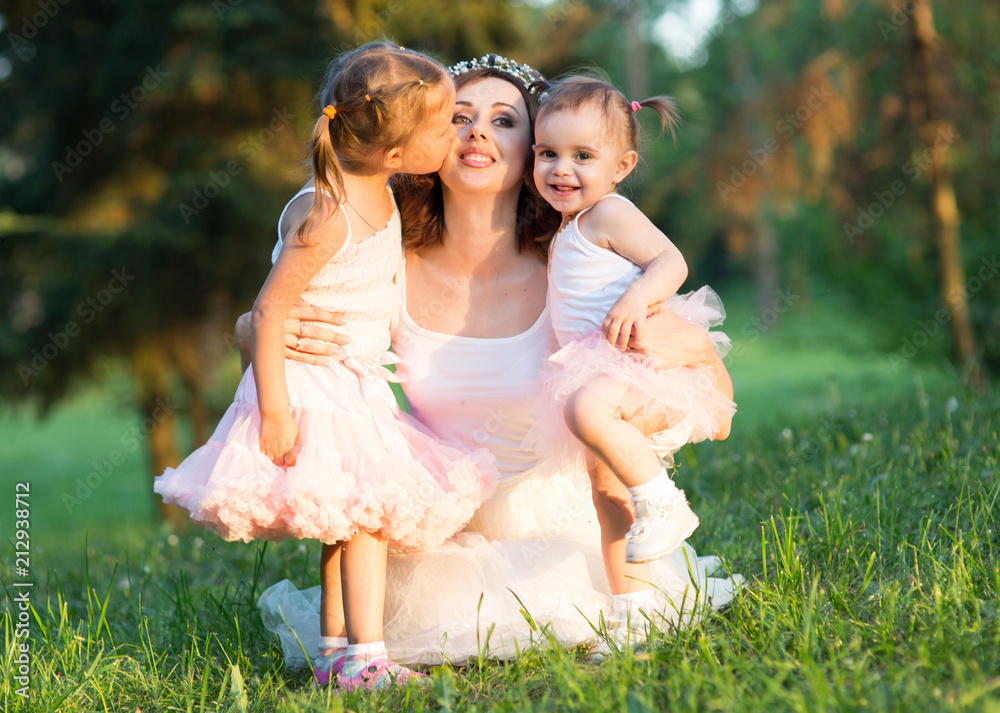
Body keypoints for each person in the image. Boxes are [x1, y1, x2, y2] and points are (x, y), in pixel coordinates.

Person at [251, 54, 743, 668]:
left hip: (558, 532)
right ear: (423, 141)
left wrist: (705, 368)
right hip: (438, 531)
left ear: (535, 148)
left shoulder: (574, 265)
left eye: (505, 120)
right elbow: (274, 320)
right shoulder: (382, 253)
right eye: (459, 116)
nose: (479, 131)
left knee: (565, 609)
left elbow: (689, 364)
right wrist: (259, 331)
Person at [154, 42, 498, 692]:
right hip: (317, 388)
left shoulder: (377, 189)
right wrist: (277, 411)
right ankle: (367, 655)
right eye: (443, 125)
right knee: (365, 518)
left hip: (352, 379)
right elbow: (269, 309)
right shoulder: (329, 212)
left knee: (342, 524)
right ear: (397, 153)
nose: (454, 133)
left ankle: (335, 653)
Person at [526, 75, 736, 568]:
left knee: (584, 411)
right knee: (605, 494)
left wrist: (638, 297)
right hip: (596, 363)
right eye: (546, 153)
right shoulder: (567, 226)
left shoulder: (608, 213)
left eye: (583, 156)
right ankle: (630, 613)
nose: (561, 169)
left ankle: (663, 502)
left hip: (632, 358)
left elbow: (671, 261)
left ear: (622, 167)